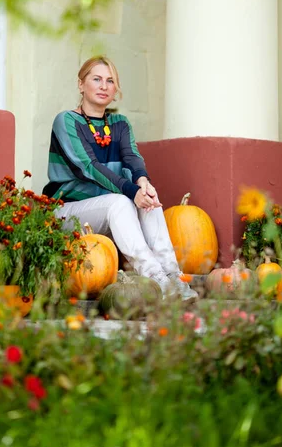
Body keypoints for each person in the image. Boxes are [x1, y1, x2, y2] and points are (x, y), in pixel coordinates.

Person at [43, 56, 198, 301]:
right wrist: (130, 189)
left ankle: (173, 276)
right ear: (81, 84)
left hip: (108, 208)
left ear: (116, 90)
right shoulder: (66, 121)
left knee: (148, 194)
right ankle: (156, 278)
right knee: (123, 200)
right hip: (66, 211)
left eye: (110, 81)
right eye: (97, 79)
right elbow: (88, 167)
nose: (104, 86)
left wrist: (143, 182)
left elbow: (132, 157)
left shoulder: (119, 123)